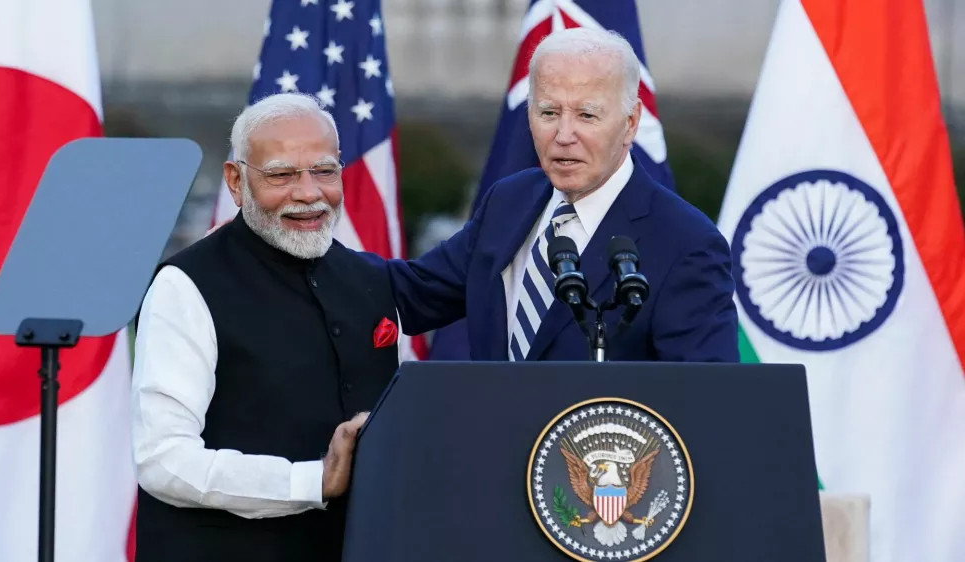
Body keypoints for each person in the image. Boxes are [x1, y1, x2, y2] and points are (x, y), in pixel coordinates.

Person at [130, 93, 403, 561]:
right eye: (281, 174)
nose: (308, 193)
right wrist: (311, 480)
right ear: (236, 182)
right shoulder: (185, 286)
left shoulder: (371, 279)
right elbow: (162, 459)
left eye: (324, 171)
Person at [375, 27, 739, 362]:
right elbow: (412, 293)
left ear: (630, 123)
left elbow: (703, 400)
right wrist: (318, 246)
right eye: (549, 112)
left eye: (586, 115)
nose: (564, 135)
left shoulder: (687, 244)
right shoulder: (509, 200)